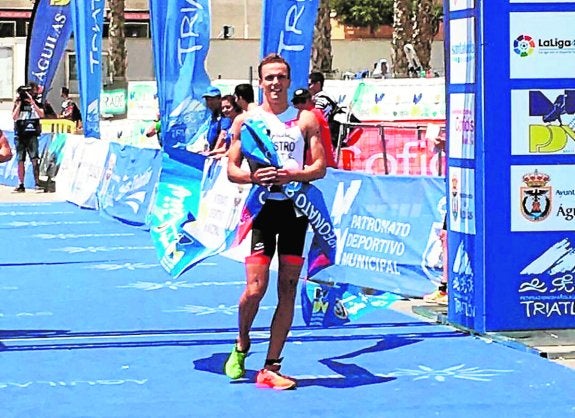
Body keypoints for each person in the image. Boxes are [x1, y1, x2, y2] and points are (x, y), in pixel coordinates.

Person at [225, 53, 326, 390]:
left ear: (288, 80)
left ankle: (271, 366)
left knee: (287, 289)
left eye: (281, 77)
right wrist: (255, 179)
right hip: (263, 211)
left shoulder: (305, 120)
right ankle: (241, 343)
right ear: (260, 82)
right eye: (269, 77)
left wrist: (295, 173)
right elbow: (231, 169)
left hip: (295, 213)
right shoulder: (247, 121)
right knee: (255, 289)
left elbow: (320, 167)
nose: (275, 83)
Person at [291, 88, 337, 168]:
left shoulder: (312, 115)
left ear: (310, 100)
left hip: (319, 166)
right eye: (296, 102)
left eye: (302, 101)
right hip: (319, 165)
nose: (299, 105)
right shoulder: (312, 114)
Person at [12, 82, 45, 192]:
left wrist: (32, 102)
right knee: (20, 160)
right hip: (20, 134)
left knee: (34, 159)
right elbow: (14, 117)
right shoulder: (18, 103)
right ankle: (21, 184)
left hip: (32, 134)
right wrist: (20, 104)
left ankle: (37, 183)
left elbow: (41, 115)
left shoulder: (37, 102)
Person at [308, 71, 343, 146]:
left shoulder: (320, 99)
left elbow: (316, 117)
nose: (308, 87)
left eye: (310, 84)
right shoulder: (327, 97)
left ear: (318, 84)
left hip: (322, 134)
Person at [202, 86, 231, 152]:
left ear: (219, 99)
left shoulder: (225, 114)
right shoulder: (214, 115)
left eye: (212, 99)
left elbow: (223, 134)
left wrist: (214, 151)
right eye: (207, 100)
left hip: (220, 153)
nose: (209, 103)